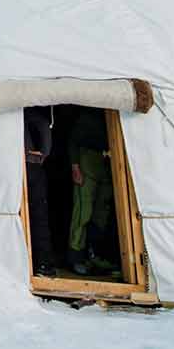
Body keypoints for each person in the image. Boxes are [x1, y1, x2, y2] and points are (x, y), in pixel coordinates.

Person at [68, 108, 115, 275]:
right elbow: (73, 141)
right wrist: (75, 167)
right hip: (87, 163)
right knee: (83, 212)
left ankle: (94, 255)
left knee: (101, 213)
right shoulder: (87, 115)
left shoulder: (111, 114)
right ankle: (76, 257)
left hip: (107, 165)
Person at [24, 107, 58, 277]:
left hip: (23, 165)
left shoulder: (20, 114)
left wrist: (42, 152)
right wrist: (43, 152)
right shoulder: (30, 114)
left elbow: (43, 125)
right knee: (38, 215)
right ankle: (43, 264)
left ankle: (35, 263)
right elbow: (43, 125)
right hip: (31, 165)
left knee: (33, 215)